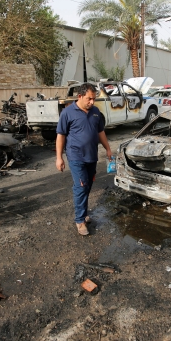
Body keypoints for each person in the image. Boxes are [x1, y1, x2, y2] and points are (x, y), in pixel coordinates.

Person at [55, 83, 112, 236]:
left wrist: (107, 148)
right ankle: (80, 221)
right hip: (75, 156)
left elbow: (100, 132)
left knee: (87, 185)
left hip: (91, 156)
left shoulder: (95, 112)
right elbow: (61, 136)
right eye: (89, 99)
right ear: (79, 96)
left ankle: (83, 212)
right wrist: (59, 158)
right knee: (80, 186)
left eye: (94, 99)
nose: (92, 102)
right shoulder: (67, 113)